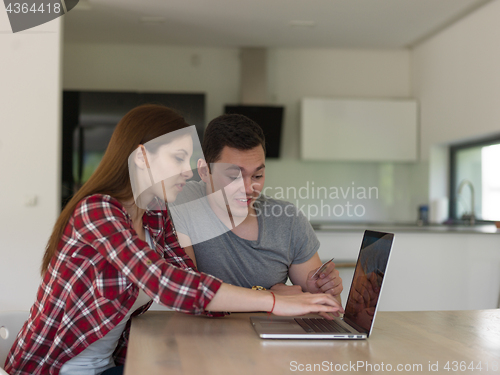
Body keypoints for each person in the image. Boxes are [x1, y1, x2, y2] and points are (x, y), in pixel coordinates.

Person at [5, 105, 343, 375]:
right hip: (55, 368)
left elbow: (191, 286)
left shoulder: (154, 217)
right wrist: (271, 299)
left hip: (112, 364)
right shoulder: (98, 211)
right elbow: (164, 282)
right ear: (141, 158)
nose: (187, 171)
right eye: (178, 159)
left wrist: (265, 298)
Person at [170, 114, 343, 303]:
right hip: (202, 332)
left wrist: (322, 291)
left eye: (258, 176)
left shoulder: (289, 220)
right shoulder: (181, 201)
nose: (248, 189)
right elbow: (187, 293)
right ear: (204, 171)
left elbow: (328, 307)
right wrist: (270, 298)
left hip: (268, 332)